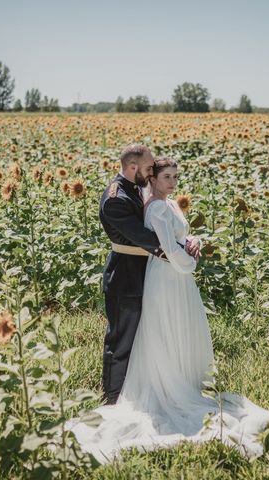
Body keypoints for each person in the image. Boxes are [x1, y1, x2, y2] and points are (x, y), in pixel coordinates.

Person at [70, 156, 269, 463]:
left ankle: (183, 378)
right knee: (161, 330)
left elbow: (178, 237)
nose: (173, 182)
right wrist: (191, 261)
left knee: (180, 328)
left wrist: (193, 240)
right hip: (168, 274)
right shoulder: (154, 206)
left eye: (176, 176)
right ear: (153, 179)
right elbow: (167, 248)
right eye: (166, 176)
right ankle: (143, 390)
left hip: (175, 273)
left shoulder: (169, 204)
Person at [98, 144, 199, 405]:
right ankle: (112, 398)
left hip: (147, 274)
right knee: (121, 342)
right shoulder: (116, 198)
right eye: (148, 168)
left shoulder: (137, 187)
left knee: (147, 339)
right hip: (126, 277)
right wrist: (182, 256)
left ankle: (146, 390)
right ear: (133, 168)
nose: (151, 171)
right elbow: (146, 239)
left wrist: (187, 240)